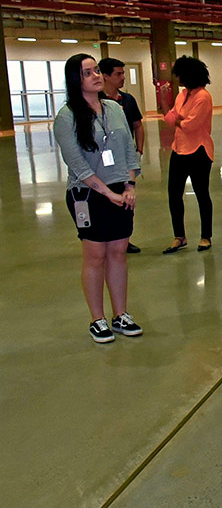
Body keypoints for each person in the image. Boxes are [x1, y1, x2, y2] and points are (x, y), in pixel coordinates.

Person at [53, 53, 143, 343]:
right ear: (75, 80)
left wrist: (129, 185)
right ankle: (97, 319)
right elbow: (77, 165)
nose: (97, 76)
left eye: (97, 71)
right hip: (88, 193)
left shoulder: (114, 109)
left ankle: (121, 314)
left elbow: (129, 148)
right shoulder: (66, 118)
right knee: (95, 256)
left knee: (118, 253)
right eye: (88, 72)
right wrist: (108, 193)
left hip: (120, 189)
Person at [162, 56, 215, 254]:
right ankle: (179, 236)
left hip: (199, 151)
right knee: (174, 194)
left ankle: (205, 236)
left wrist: (179, 120)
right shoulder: (182, 95)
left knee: (202, 194)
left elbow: (191, 125)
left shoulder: (203, 97)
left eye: (180, 75)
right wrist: (166, 105)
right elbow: (171, 119)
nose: (177, 79)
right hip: (179, 149)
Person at [99, 57, 144, 254]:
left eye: (123, 73)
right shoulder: (98, 102)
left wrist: (138, 150)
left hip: (124, 160)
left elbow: (137, 125)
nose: (123, 77)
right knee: (105, 196)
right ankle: (103, 237)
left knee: (127, 196)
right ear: (106, 76)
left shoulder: (128, 100)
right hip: (103, 161)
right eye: (118, 74)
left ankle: (124, 237)